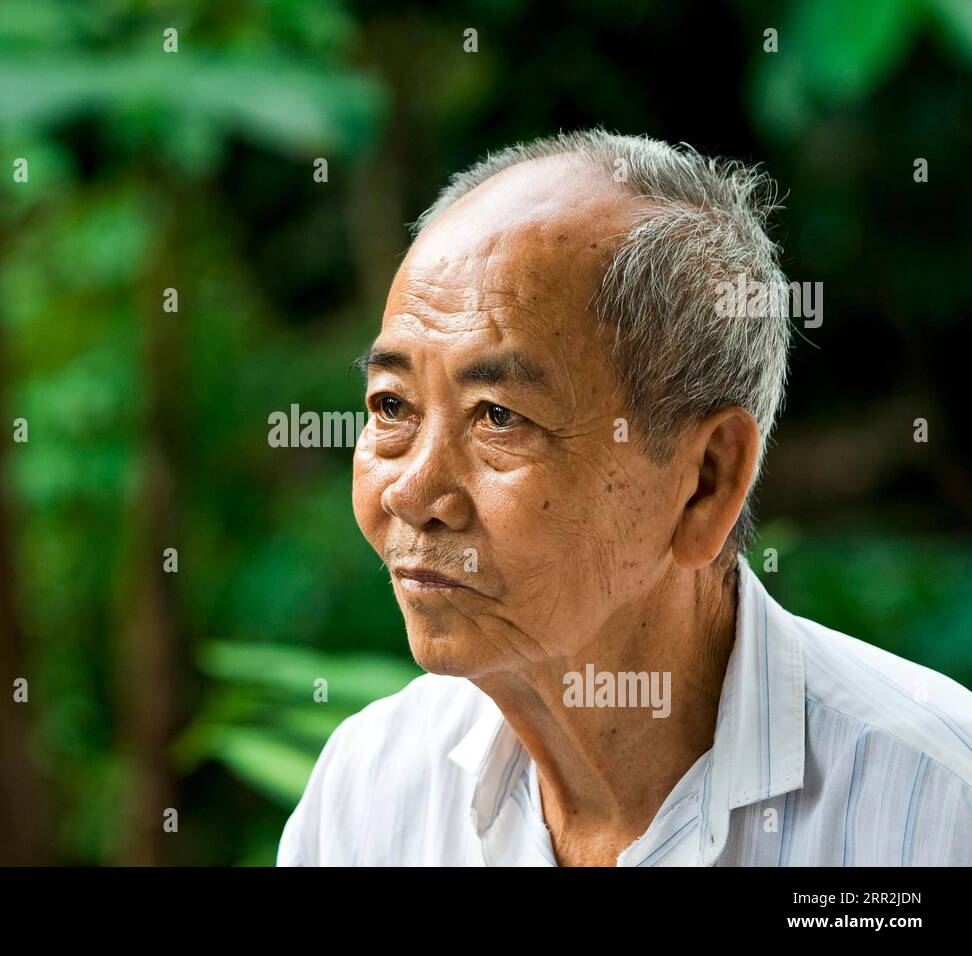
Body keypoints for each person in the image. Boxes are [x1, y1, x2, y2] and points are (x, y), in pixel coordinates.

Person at [277, 130, 972, 866]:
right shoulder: (372, 791)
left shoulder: (936, 809)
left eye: (499, 417)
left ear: (706, 482)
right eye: (392, 407)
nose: (413, 493)